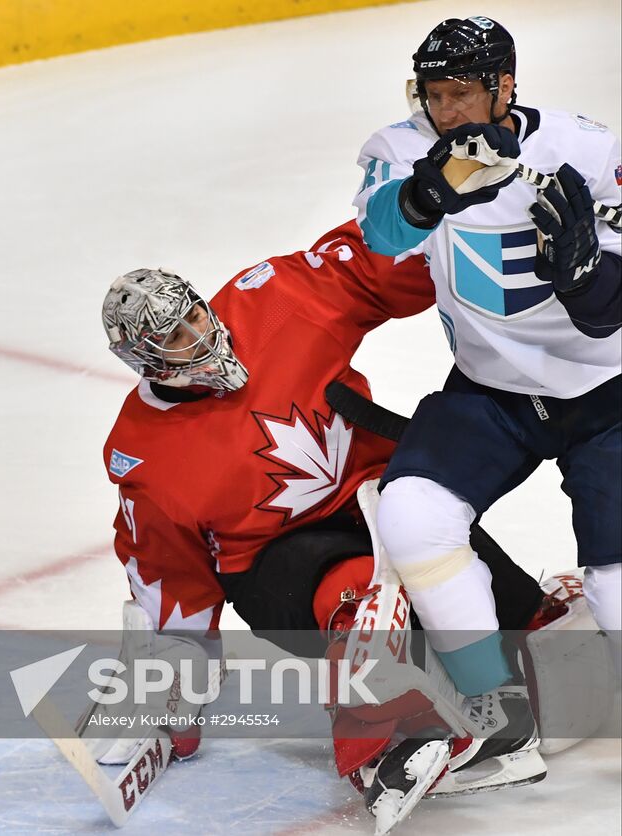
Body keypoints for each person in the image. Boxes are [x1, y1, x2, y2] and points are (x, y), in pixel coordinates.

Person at [91, 220, 557, 829]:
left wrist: (451, 238)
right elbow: (168, 575)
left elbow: (365, 267)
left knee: (513, 616)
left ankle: (511, 641)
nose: (202, 335)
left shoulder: (273, 298)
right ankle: (390, 733)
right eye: (177, 336)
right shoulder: (145, 456)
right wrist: (170, 689)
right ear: (144, 360)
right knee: (360, 600)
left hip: (374, 498)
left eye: (196, 315)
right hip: (277, 562)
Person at [351, 14, 621, 824]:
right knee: (413, 514)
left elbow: (611, 313)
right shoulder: (399, 149)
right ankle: (499, 729)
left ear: (507, 87)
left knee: (616, 586)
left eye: (463, 92)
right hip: (489, 392)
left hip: (608, 394)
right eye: (434, 95)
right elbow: (380, 231)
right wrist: (430, 191)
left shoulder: (586, 148)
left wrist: (586, 278)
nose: (447, 110)